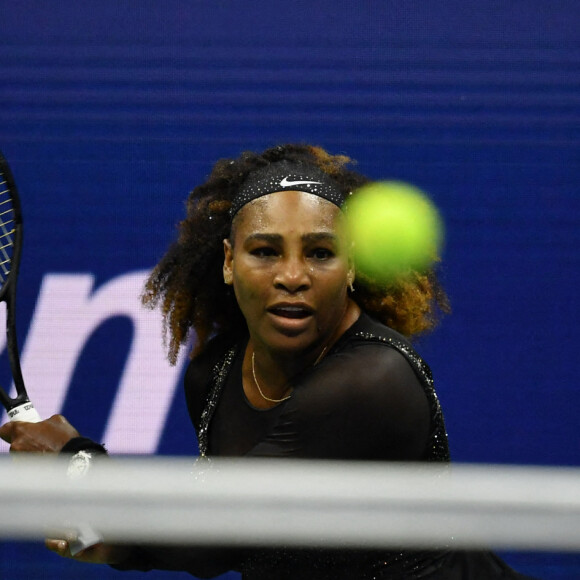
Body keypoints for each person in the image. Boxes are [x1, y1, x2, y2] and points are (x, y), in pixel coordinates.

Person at [0, 144, 535, 579]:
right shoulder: (214, 375)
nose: (293, 276)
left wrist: (77, 462)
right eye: (265, 250)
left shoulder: (373, 380)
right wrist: (113, 541)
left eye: (321, 253)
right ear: (230, 263)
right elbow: (226, 542)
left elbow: (222, 533)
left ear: (351, 267)